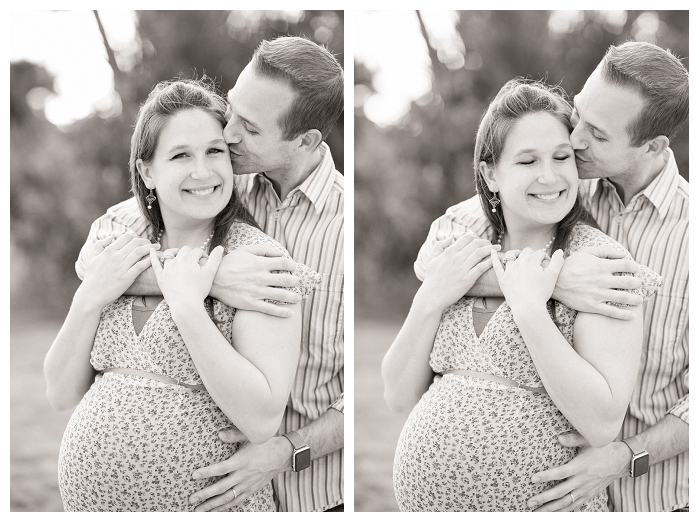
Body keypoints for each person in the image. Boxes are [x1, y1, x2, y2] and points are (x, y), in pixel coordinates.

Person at [414, 41, 688, 512]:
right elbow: (434, 257)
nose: (575, 138)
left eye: (597, 134)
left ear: (653, 146)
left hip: (650, 496)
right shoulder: (558, 183)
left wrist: (625, 457)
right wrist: (555, 281)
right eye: (579, 114)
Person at [73, 36, 344, 512]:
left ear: (304, 141)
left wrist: (288, 452)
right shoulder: (217, 175)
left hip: (309, 489)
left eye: (250, 127)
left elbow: (379, 395)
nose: (230, 132)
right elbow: (99, 252)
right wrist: (210, 277)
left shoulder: (347, 229)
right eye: (232, 112)